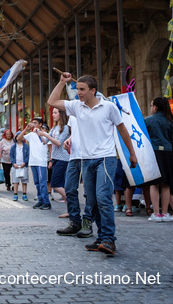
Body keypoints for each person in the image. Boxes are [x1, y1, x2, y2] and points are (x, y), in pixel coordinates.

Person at [48, 74, 137, 255]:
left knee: (103, 197)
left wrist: (132, 154)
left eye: (82, 90)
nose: (78, 93)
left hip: (105, 158)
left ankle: (109, 240)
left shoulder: (109, 107)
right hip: (86, 160)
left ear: (93, 90)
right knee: (93, 201)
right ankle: (101, 238)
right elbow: (52, 101)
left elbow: (122, 129)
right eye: (77, 89)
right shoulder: (76, 107)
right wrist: (62, 82)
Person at [144, 97, 173, 222]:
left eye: (151, 105)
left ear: (155, 107)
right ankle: (165, 213)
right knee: (166, 184)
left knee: (154, 183)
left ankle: (156, 213)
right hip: (168, 152)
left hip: (153, 152)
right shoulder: (170, 121)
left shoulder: (148, 120)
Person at [39, 108, 70, 208]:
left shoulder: (65, 128)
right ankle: (70, 208)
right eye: (53, 113)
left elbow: (58, 142)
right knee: (57, 184)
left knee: (56, 184)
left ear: (61, 114)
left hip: (63, 159)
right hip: (56, 158)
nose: (53, 115)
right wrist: (39, 134)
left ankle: (71, 202)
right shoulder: (54, 128)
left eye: (55, 113)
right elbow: (46, 142)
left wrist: (45, 134)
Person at [18, 117, 50, 210]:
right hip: (33, 161)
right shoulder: (31, 135)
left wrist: (39, 133)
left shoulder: (45, 134)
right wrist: (26, 129)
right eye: (32, 123)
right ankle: (40, 200)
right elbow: (19, 138)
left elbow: (45, 142)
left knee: (42, 182)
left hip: (41, 162)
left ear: (40, 124)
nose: (33, 124)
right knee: (36, 182)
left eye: (35, 123)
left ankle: (46, 202)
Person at [10, 131, 29, 201]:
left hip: (24, 166)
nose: (19, 137)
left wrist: (25, 162)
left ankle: (24, 194)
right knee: (15, 181)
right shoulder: (13, 147)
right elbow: (11, 156)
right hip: (16, 166)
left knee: (24, 181)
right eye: (18, 136)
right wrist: (13, 163)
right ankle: (15, 194)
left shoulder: (26, 146)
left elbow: (28, 155)